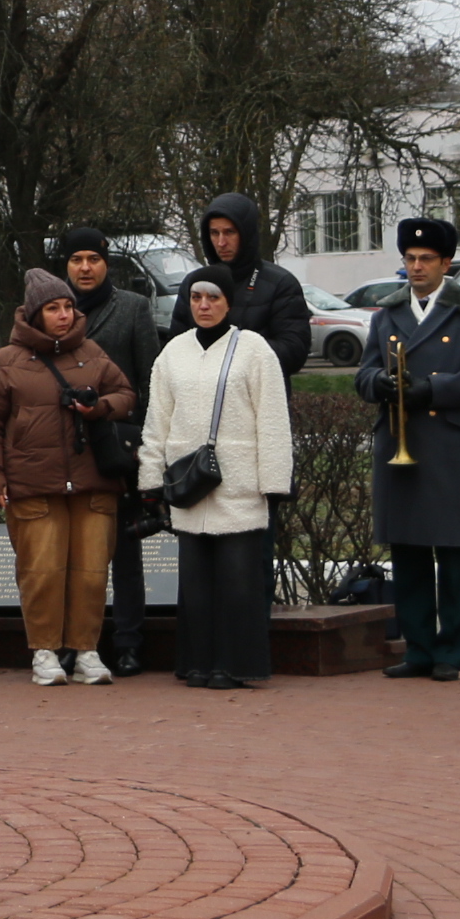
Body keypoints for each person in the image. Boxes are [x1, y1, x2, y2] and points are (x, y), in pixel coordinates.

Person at [0, 267, 138, 687]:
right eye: (53, 308)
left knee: (92, 571)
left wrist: (98, 408)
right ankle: (44, 651)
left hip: (92, 481)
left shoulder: (92, 352)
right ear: (34, 314)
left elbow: (126, 395)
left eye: (68, 307)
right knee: (40, 571)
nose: (64, 315)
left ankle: (86, 650)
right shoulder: (7, 360)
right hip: (31, 483)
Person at [352, 217, 460, 681]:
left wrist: (433, 388)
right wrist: (379, 382)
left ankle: (451, 651)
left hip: (447, 443)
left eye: (427, 259)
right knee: (408, 551)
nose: (417, 267)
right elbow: (363, 373)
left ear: (446, 263)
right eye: (410, 258)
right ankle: (417, 647)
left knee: (452, 554)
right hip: (399, 440)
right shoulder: (386, 314)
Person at [140, 267, 293, 688]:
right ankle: (197, 663)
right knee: (195, 585)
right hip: (188, 485)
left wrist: (274, 483)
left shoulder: (255, 349)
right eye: (196, 298)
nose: (204, 306)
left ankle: (235, 664)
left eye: (213, 298)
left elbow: (273, 420)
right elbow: (157, 421)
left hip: (240, 485)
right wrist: (150, 479)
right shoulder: (173, 352)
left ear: (229, 302)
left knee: (239, 583)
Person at [58, 230, 164, 674]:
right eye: (76, 259)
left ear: (106, 263)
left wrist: (146, 443)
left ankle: (128, 642)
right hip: (66, 448)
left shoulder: (133, 307)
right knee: (71, 553)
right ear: (65, 264)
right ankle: (73, 642)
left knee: (124, 551)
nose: (85, 267)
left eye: (93, 259)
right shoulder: (54, 311)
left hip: (119, 448)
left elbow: (151, 380)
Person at [193, 193, 315, 376]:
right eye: (214, 233)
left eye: (229, 232)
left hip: (260, 391)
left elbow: (293, 353)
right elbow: (177, 350)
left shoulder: (281, 284)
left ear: (246, 233)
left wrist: (232, 349)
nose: (221, 242)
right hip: (203, 390)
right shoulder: (195, 283)